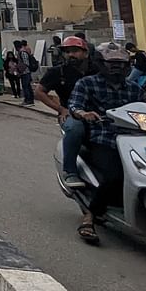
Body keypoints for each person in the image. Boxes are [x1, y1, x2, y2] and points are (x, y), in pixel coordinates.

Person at [66, 42, 146, 245]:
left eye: (121, 64)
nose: (116, 68)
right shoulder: (87, 84)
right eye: (111, 63)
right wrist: (83, 113)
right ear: (101, 64)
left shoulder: (133, 89)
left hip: (137, 140)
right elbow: (75, 105)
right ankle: (89, 217)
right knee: (115, 175)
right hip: (104, 138)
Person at [35, 36, 93, 189]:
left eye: (75, 51)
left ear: (86, 53)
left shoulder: (96, 70)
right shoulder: (58, 72)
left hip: (98, 114)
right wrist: (60, 109)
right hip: (71, 115)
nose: (70, 55)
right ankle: (70, 171)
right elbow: (39, 92)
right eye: (67, 52)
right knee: (75, 128)